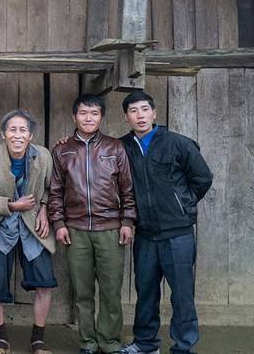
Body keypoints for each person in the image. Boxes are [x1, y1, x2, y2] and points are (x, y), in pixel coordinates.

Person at [118, 91, 213, 354]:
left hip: (177, 234)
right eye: (134, 111)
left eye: (145, 109)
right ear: (126, 116)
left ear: (154, 113)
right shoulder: (122, 146)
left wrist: (183, 203)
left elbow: (202, 178)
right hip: (146, 233)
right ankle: (146, 344)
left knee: (182, 295)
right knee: (145, 292)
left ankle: (183, 347)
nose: (140, 115)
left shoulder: (178, 143)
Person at [49, 94, 136, 354]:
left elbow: (128, 189)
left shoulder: (115, 147)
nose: (89, 118)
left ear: (101, 117)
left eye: (95, 113)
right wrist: (59, 223)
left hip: (110, 229)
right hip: (75, 230)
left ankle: (109, 342)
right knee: (83, 292)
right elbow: (55, 191)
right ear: (74, 116)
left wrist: (128, 221)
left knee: (110, 291)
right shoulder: (62, 150)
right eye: (84, 113)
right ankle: (87, 342)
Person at [0, 109, 58, 354]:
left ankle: (38, 339)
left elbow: (51, 188)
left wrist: (44, 208)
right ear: (3, 134)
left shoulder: (42, 156)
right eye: (12, 129)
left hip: (33, 226)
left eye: (23, 130)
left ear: (31, 135)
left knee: (44, 283)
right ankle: (1, 338)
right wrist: (11, 205)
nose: (17, 135)